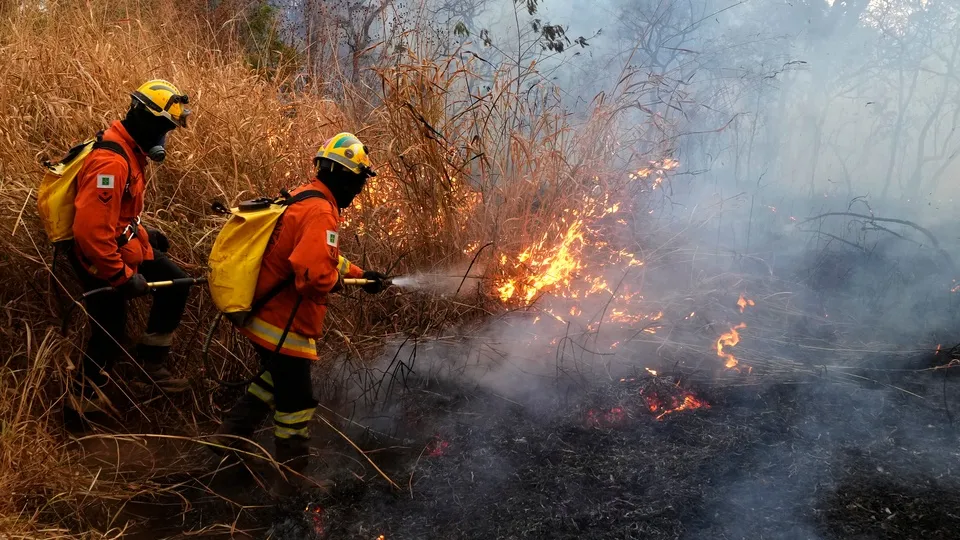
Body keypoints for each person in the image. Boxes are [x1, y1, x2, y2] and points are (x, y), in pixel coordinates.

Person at [215, 132, 388, 483]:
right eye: (358, 181)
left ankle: (229, 438)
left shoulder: (305, 196)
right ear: (343, 176)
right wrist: (331, 280)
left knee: (273, 379)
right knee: (297, 403)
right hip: (281, 323)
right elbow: (312, 275)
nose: (358, 191)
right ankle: (293, 479)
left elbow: (322, 256)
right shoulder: (322, 212)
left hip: (263, 314)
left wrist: (360, 275)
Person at [67, 79, 194, 416]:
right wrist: (122, 277)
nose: (165, 137)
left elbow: (117, 214)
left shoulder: (132, 151)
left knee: (177, 282)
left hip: (123, 247)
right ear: (144, 118)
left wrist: (147, 234)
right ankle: (80, 411)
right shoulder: (112, 163)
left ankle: (151, 364)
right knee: (108, 336)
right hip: (99, 260)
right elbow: (91, 233)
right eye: (163, 128)